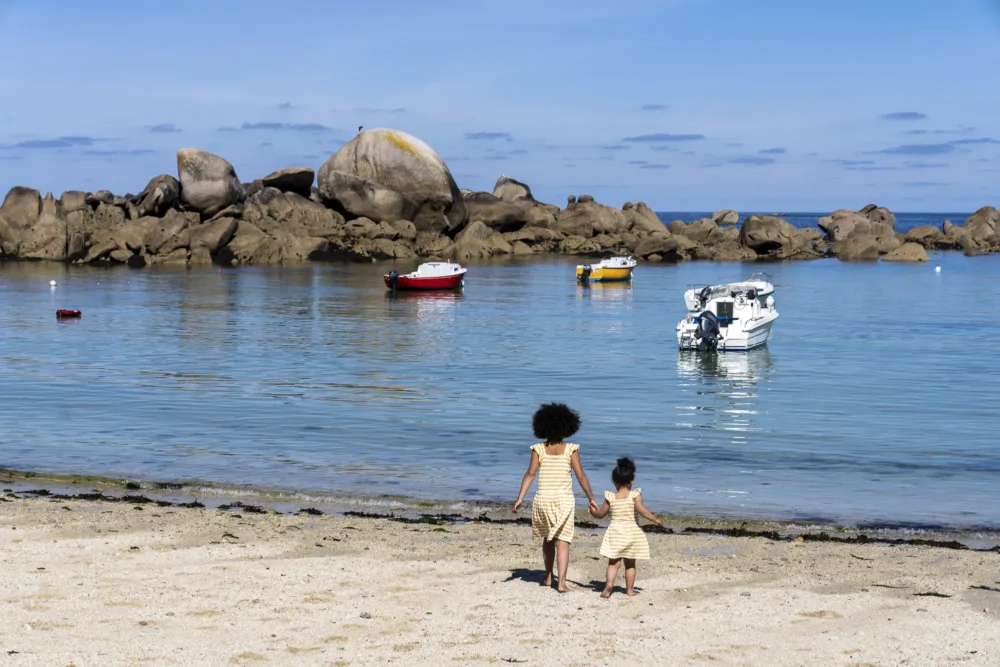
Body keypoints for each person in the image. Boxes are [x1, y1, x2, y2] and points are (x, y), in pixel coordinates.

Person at [512, 403, 599, 593]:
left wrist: (520, 498)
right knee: (563, 541)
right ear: (567, 426)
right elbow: (581, 476)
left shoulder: (538, 449)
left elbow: (530, 474)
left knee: (548, 540)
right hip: (563, 501)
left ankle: (548, 576)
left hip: (543, 501)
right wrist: (591, 497)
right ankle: (562, 583)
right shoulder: (571, 449)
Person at [590, 457, 664, 598]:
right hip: (631, 533)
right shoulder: (634, 495)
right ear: (632, 480)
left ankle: (609, 585)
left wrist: (593, 511)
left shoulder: (610, 497)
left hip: (615, 533)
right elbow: (642, 510)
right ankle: (629, 590)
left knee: (613, 562)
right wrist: (655, 519)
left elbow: (601, 514)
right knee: (630, 564)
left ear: (614, 481)